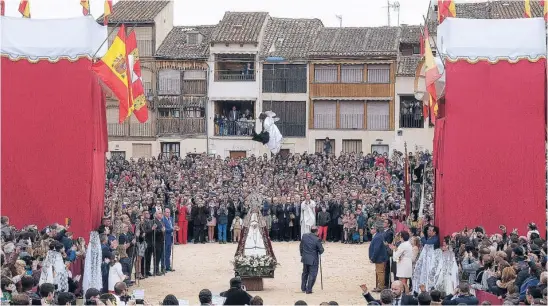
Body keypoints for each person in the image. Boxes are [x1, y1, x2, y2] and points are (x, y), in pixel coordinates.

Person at [300, 226, 324, 294]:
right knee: (312, 274)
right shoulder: (317, 239)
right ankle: (309, 289)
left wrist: (302, 254)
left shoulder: (304, 236)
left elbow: (301, 246)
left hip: (305, 258)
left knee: (305, 273)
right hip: (313, 259)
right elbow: (321, 251)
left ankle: (303, 288)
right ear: (316, 232)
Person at [369, 224, 388, 292]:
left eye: (371, 228)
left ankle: (381, 287)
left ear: (375, 229)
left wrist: (373, 258)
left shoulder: (377, 237)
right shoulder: (378, 236)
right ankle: (379, 286)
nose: (370, 229)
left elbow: (376, 249)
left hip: (379, 258)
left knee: (380, 272)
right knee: (379, 272)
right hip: (380, 258)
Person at [162, 208, 176, 272]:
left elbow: (172, 226)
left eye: (169, 212)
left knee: (169, 252)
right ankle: (163, 267)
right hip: (165, 237)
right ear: (164, 212)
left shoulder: (171, 218)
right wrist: (172, 229)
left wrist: (175, 228)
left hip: (171, 237)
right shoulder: (163, 219)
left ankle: (168, 266)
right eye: (167, 212)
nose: (168, 213)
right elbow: (164, 230)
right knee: (164, 253)